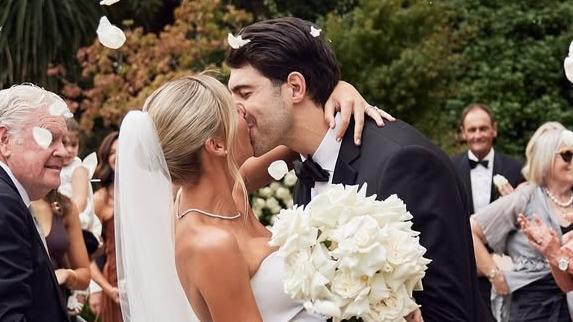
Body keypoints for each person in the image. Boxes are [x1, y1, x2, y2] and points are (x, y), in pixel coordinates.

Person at [226, 16, 486, 321]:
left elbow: (450, 311)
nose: (235, 111)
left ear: (295, 87)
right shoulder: (308, 165)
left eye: (245, 94)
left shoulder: (405, 163)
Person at [115, 72, 395, 322]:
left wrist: (339, 90)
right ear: (216, 144)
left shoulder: (232, 186)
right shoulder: (209, 244)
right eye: (235, 110)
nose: (247, 112)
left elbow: (300, 133)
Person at [471, 122, 573, 321]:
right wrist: (494, 274)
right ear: (546, 159)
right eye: (567, 155)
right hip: (531, 305)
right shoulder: (524, 197)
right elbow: (470, 230)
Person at [0, 84, 70, 321]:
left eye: (64, 140)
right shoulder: (4, 204)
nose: (63, 151)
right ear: (4, 140)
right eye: (49, 137)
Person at [451, 103, 525, 319]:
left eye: (483, 128)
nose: (478, 135)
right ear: (463, 133)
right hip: (465, 270)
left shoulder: (515, 169)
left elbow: (527, 221)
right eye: (472, 130)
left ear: (494, 129)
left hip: (506, 267)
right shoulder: (450, 168)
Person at [30, 190, 91, 316]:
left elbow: (84, 273)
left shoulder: (65, 207)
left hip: (55, 306)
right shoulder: (11, 201)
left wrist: (68, 275)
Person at [89, 131, 121, 322]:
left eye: (122, 150)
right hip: (116, 285)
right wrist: (105, 289)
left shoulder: (145, 193)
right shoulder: (101, 200)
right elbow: (86, 255)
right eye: (112, 152)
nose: (117, 156)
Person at [58, 117, 101, 254]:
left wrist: (58, 219)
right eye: (64, 144)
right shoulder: (56, 168)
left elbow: (79, 202)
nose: (69, 149)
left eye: (73, 145)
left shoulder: (78, 169)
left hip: (80, 227)